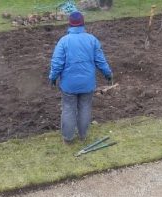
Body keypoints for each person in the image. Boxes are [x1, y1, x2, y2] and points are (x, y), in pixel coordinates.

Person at [48, 11, 113, 143]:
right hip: (87, 84)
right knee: (85, 107)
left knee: (68, 108)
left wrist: (53, 77)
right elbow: (100, 60)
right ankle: (83, 135)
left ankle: (68, 138)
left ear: (69, 24)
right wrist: (108, 74)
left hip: (69, 85)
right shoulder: (92, 40)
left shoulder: (63, 41)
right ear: (83, 23)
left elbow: (57, 63)